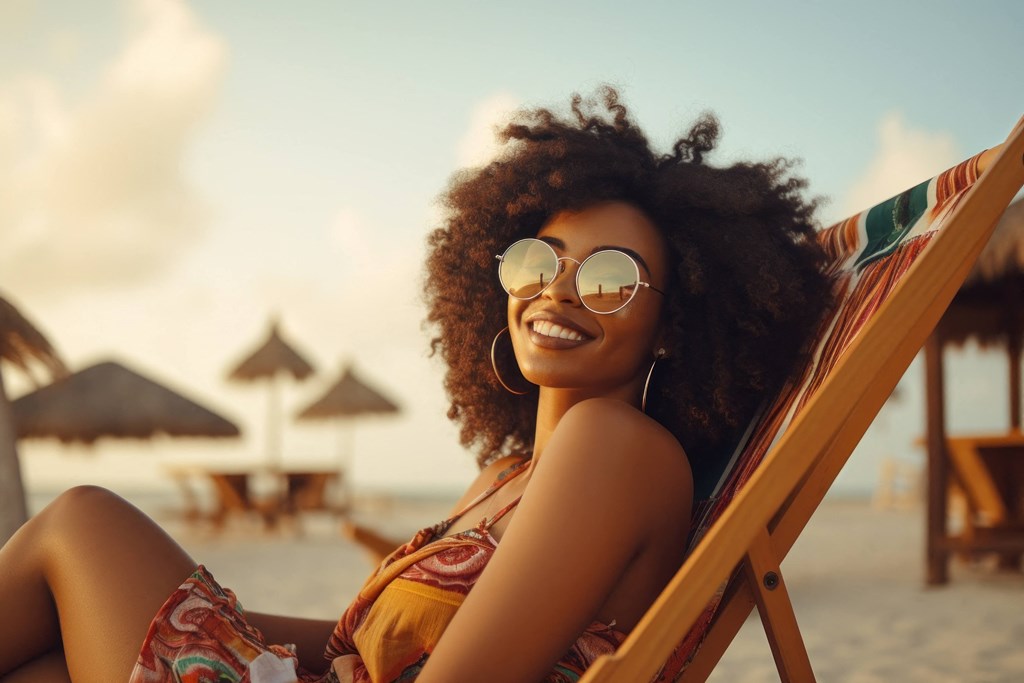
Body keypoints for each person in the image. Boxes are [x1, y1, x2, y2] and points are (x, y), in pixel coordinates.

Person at [0, 87, 849, 683]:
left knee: (83, 519)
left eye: (610, 278)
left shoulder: (617, 448)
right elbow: (353, 637)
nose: (556, 291)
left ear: (672, 325)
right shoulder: (510, 478)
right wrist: (210, 602)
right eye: (536, 261)